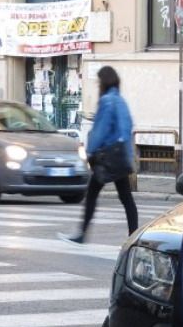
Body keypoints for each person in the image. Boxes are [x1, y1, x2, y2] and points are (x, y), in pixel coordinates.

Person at [59, 65, 138, 243]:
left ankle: (81, 234)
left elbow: (100, 130)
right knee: (126, 198)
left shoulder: (107, 101)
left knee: (92, 193)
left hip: (108, 156)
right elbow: (128, 127)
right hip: (121, 155)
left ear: (103, 82)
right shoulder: (121, 100)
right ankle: (133, 235)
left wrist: (90, 151)